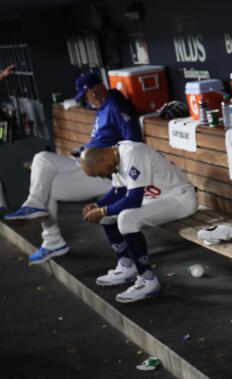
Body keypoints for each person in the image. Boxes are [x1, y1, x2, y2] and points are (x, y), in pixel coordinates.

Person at [5, 71, 141, 264]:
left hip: (103, 174)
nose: (86, 101)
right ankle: (46, 229)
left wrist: (111, 166)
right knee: (42, 162)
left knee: (45, 185)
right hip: (85, 164)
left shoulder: (116, 107)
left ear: (92, 93)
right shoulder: (105, 106)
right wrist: (83, 151)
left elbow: (133, 144)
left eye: (85, 96)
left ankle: (44, 225)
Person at [78, 141, 197, 303]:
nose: (103, 176)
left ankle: (148, 280)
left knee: (126, 218)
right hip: (155, 199)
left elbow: (133, 199)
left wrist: (102, 211)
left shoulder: (132, 153)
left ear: (101, 159)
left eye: (100, 173)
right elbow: (118, 191)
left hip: (179, 198)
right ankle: (127, 266)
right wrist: (98, 206)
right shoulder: (114, 158)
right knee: (107, 216)